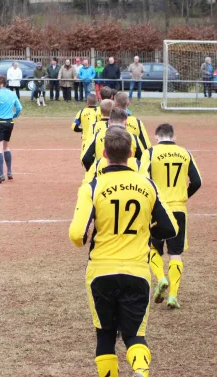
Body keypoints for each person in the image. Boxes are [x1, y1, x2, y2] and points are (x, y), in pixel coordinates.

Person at [69, 126, 178, 377]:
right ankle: (140, 369)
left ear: (104, 154)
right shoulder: (147, 185)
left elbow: (77, 235)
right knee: (135, 335)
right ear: (131, 153)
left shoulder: (92, 187)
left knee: (105, 335)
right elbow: (170, 228)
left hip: (100, 271)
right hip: (137, 271)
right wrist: (144, 228)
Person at [140, 123, 202, 309]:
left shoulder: (149, 153)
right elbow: (197, 181)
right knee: (176, 253)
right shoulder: (185, 153)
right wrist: (183, 196)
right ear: (173, 137)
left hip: (157, 210)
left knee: (153, 248)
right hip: (178, 209)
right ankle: (173, 296)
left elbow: (142, 180)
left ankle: (161, 278)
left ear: (156, 137)